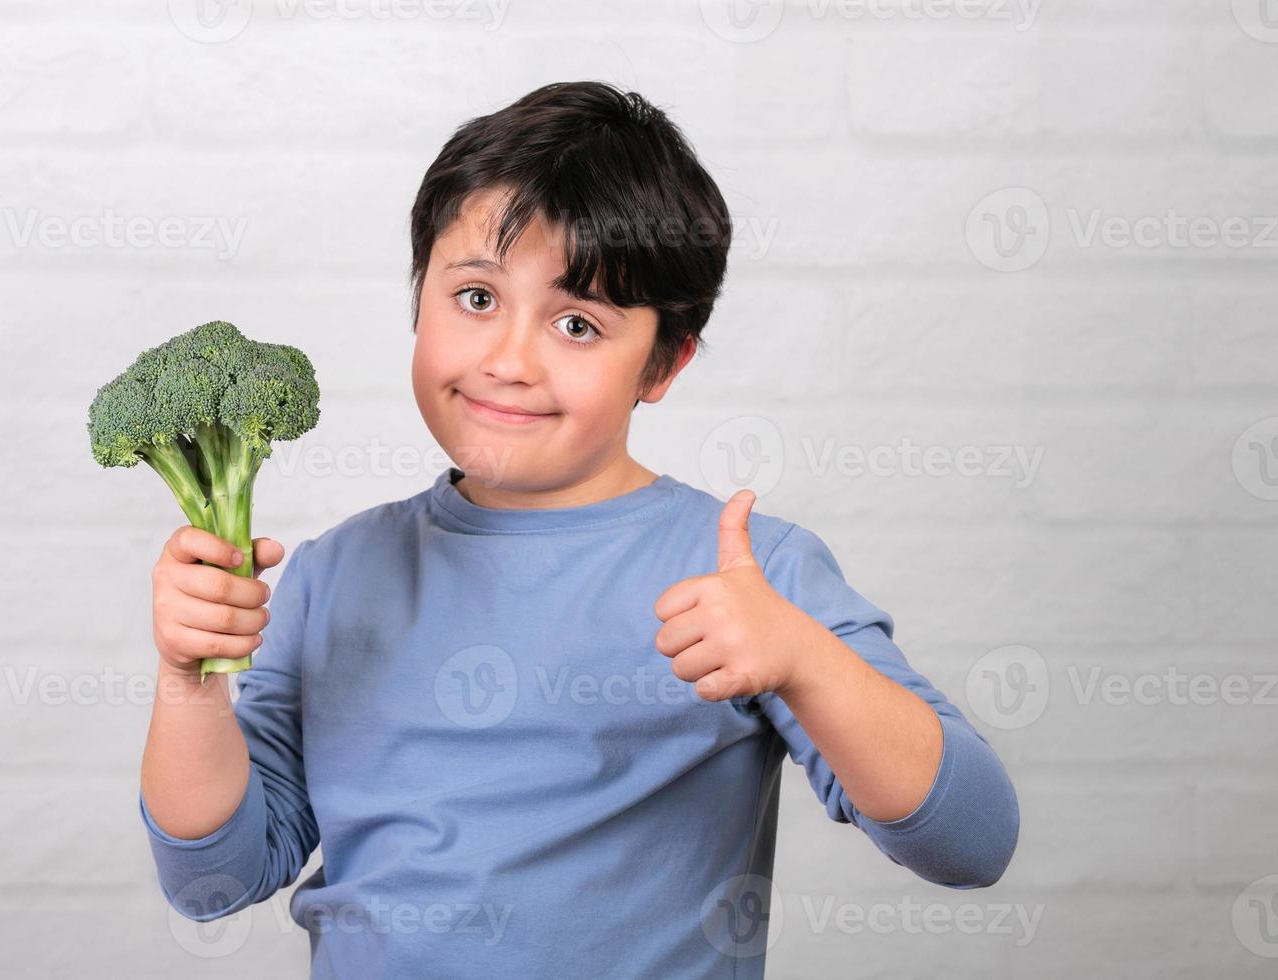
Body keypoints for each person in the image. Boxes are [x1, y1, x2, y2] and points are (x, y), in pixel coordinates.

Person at [137, 80, 1019, 978]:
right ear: (418, 301)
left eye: (576, 323)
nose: (509, 362)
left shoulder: (747, 579)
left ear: (663, 363)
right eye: (476, 299)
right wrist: (188, 681)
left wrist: (804, 658)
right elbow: (215, 879)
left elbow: (972, 841)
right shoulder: (334, 574)